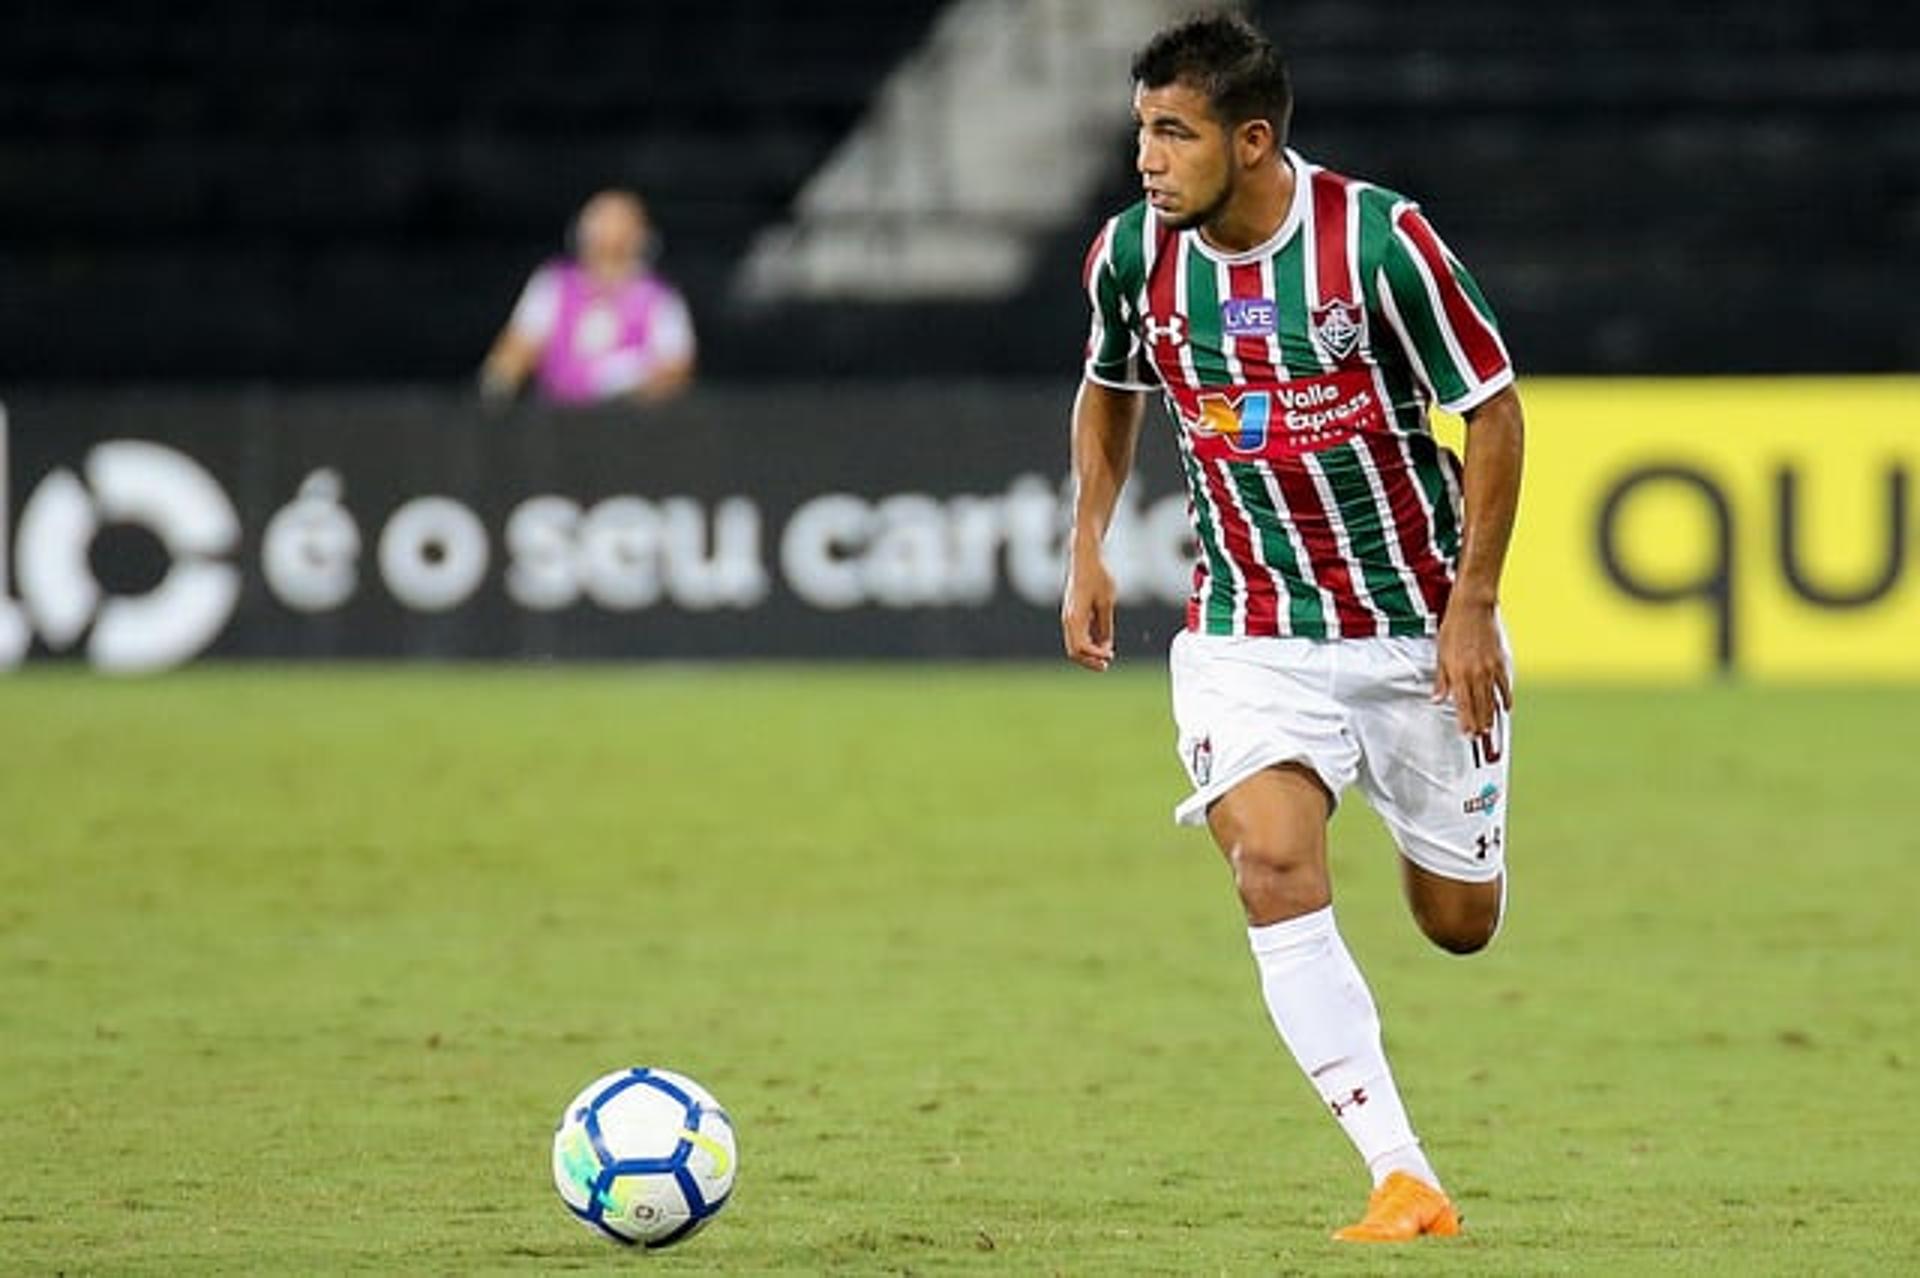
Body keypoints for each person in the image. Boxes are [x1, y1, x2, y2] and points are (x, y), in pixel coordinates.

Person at [1061, 12, 1526, 1244]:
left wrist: (1470, 607)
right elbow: (1112, 391)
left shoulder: (1381, 243)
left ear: (1252, 139)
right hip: (1246, 628)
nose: (1147, 158)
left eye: (1174, 132)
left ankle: (1423, 818)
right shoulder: (1131, 259)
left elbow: (1492, 412)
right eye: (1140, 131)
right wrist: (1087, 543)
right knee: (1267, 859)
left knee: (1459, 924)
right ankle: (1401, 1174)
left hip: (1411, 629)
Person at [480, 189, 696, 407]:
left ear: (641, 234)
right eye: (601, 221)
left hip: (629, 422)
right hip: (557, 418)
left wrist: (621, 383)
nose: (608, 231)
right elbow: (519, 346)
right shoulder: (553, 284)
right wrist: (497, 387)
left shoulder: (660, 298)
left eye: (620, 221)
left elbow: (676, 369)